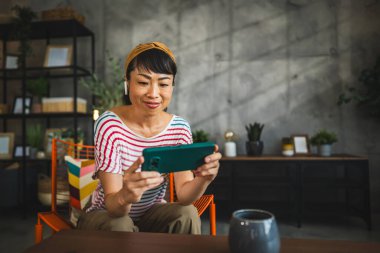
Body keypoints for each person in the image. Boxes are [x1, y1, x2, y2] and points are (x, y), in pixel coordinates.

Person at [77, 42, 222, 234]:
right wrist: (126, 195)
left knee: (187, 212)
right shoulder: (110, 125)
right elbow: (113, 206)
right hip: (106, 214)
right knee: (120, 223)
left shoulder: (179, 128)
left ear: (172, 86)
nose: (153, 94)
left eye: (163, 84)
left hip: (149, 214)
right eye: (143, 82)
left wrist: (204, 179)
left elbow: (185, 196)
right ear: (127, 83)